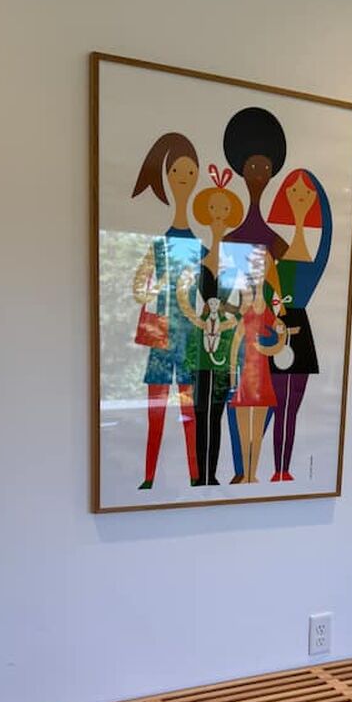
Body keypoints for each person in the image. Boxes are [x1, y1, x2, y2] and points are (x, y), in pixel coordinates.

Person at [130, 133, 202, 488]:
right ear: (167, 177)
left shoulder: (201, 245)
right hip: (161, 332)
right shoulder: (158, 244)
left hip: (188, 334)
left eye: (190, 172)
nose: (183, 179)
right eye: (177, 172)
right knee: (155, 411)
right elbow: (138, 289)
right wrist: (158, 286)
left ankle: (195, 476)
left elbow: (218, 290)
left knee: (189, 412)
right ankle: (149, 477)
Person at [222, 107, 288, 481]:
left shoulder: (272, 246)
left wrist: (279, 321)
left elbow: (281, 295)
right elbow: (230, 300)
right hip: (242, 360)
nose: (259, 173)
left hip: (260, 363)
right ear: (242, 170)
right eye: (253, 167)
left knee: (257, 412)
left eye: (265, 167)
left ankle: (249, 472)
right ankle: (242, 471)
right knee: (239, 410)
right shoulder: (233, 242)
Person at [176, 167, 243, 485]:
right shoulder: (194, 264)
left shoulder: (236, 268)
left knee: (215, 414)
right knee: (197, 413)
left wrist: (226, 318)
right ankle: (198, 475)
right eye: (214, 208)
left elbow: (241, 311)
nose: (218, 216)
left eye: (224, 210)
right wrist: (200, 318)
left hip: (222, 354)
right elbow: (184, 304)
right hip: (196, 353)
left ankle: (211, 475)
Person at [266, 169, 333, 480]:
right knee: (273, 403)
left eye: (307, 193)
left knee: (290, 408)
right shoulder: (274, 256)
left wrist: (324, 205)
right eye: (294, 192)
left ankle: (282, 470)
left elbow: (327, 240)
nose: (300, 197)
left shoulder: (311, 262)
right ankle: (262, 468)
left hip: (300, 333)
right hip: (276, 330)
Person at [228, 257, 287, 484]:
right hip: (245, 376)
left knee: (256, 432)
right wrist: (232, 375)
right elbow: (236, 342)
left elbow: (279, 339)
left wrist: (271, 345)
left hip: (262, 377)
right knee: (245, 431)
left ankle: (252, 475)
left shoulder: (268, 311)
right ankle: (246, 474)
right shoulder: (246, 308)